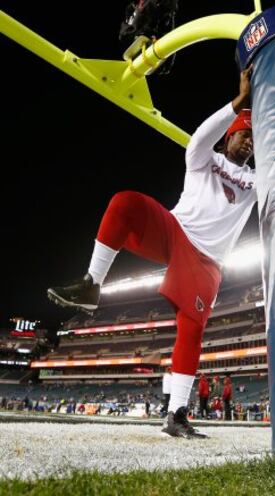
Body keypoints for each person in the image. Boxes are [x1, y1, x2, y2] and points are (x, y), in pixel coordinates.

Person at [47, 65, 255, 438]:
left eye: (254, 138)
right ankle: (92, 283)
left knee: (191, 331)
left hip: (207, 259)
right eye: (243, 135)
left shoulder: (256, 181)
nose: (249, 142)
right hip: (175, 231)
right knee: (125, 202)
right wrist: (237, 103)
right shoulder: (206, 159)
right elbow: (198, 141)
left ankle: (176, 414)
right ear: (228, 139)